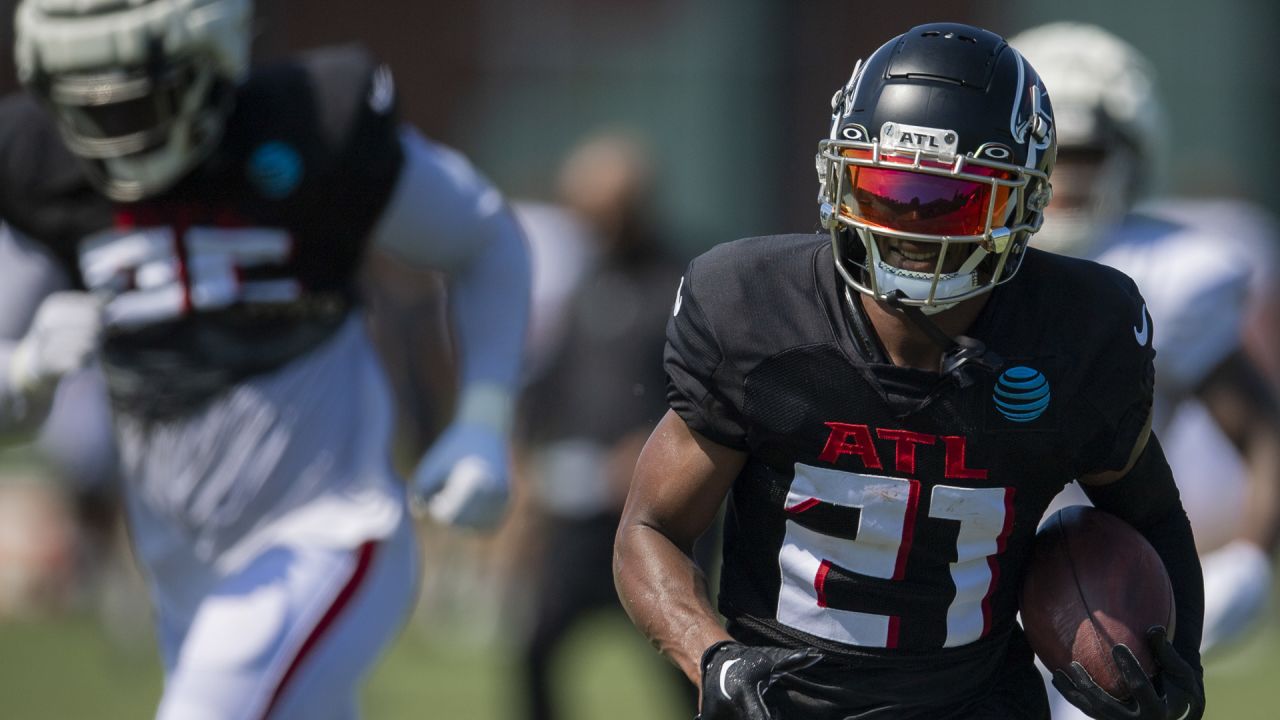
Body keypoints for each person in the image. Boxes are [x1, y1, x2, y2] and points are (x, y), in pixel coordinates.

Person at [613, 21, 1205, 720]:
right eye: (886, 190)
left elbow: (1154, 517)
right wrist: (712, 657)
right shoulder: (756, 310)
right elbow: (650, 528)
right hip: (785, 701)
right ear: (836, 176)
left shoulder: (1077, 331)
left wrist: (1175, 666)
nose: (912, 230)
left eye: (951, 201)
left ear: (1024, 203)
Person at [0, 1, 530, 718]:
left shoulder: (311, 124)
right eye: (86, 104)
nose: (114, 133)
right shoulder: (36, 165)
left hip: (328, 526)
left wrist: (484, 416)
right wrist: (28, 366)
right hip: (178, 563)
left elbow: (485, 237)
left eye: (141, 99)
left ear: (210, 61)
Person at [1011, 22, 1280, 659]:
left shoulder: (1173, 272)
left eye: (1089, 155)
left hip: (1104, 596)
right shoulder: (969, 262)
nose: (1068, 178)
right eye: (1054, 155)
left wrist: (1249, 557)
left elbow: (1264, 431)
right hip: (960, 584)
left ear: (1131, 156)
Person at [516, 133, 691, 719]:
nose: (591, 224)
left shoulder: (682, 287)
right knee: (538, 647)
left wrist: (653, 450)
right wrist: (521, 454)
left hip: (656, 516)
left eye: (604, 211)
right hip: (578, 510)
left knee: (683, 662)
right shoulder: (585, 282)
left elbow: (703, 393)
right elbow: (551, 382)